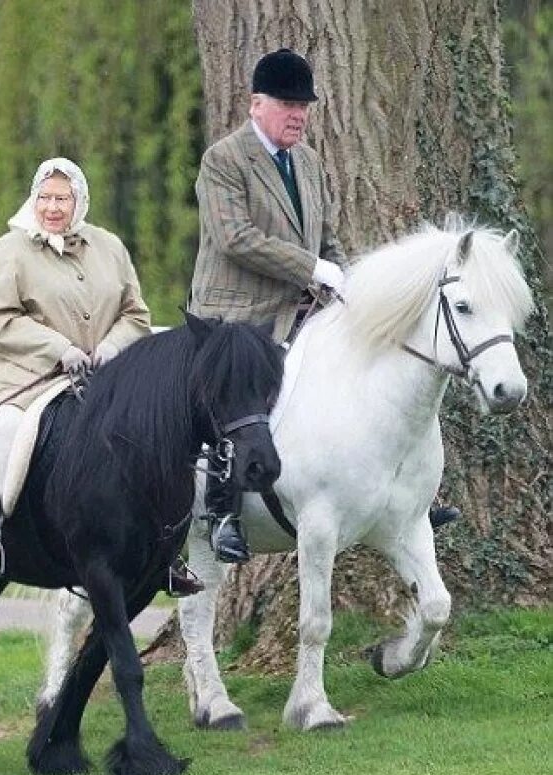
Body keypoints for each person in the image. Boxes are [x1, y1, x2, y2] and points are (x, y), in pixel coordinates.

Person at [189, 48, 457, 565]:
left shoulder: (308, 162)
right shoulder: (223, 160)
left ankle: (406, 499)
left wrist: (345, 278)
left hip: (302, 306)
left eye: (304, 106)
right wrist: (314, 269)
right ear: (256, 104)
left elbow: (325, 238)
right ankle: (222, 512)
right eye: (288, 104)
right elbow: (235, 239)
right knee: (243, 396)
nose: (298, 115)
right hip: (236, 315)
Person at [0, 157, 176, 583]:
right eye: (44, 197)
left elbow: (135, 313)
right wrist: (59, 348)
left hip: (103, 377)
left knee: (156, 432)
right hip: (30, 375)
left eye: (62, 198)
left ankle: (165, 547)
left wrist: (113, 347)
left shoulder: (110, 247)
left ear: (79, 199)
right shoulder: (11, 250)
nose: (52, 207)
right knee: (7, 425)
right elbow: (0, 318)